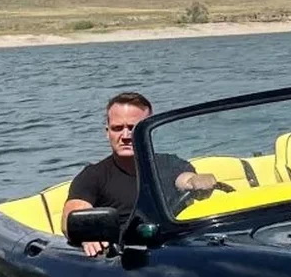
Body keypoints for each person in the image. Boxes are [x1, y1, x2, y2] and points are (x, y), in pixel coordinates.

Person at [64, 90, 218, 252]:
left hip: (177, 246)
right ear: (107, 132)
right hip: (129, 256)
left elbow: (185, 179)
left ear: (148, 130)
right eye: (117, 128)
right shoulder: (93, 176)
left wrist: (198, 181)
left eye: (133, 128)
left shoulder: (169, 164)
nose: (125, 135)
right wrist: (88, 234)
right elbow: (72, 215)